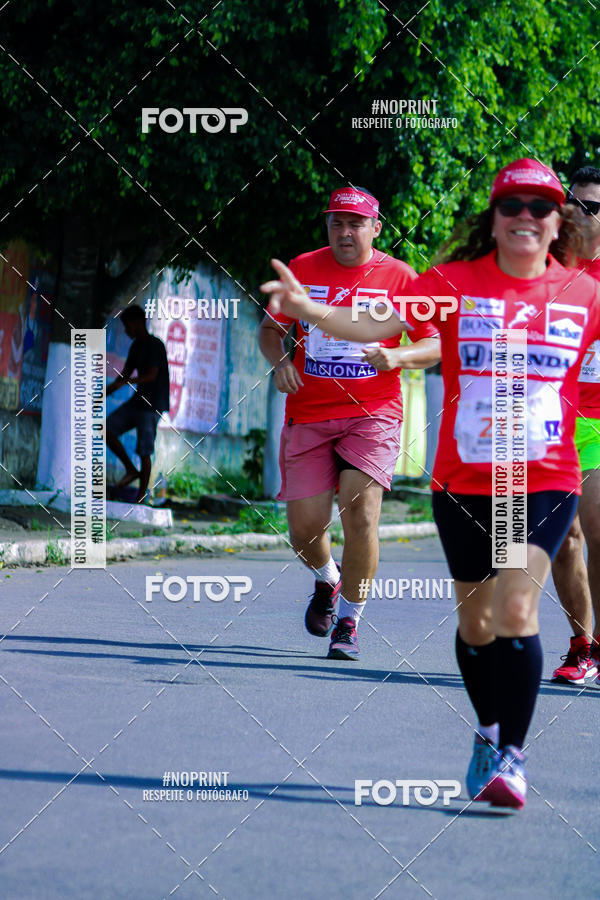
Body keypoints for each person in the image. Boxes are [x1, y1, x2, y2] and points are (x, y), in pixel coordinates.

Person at [261, 158, 600, 809]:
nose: (526, 218)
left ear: (559, 222)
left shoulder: (582, 292)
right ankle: (488, 730)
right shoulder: (452, 283)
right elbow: (375, 326)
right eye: (513, 207)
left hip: (545, 478)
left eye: (541, 207)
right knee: (476, 623)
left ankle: (510, 755)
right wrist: (309, 311)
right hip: (465, 481)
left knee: (517, 609)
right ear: (495, 220)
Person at [258, 186, 440, 660]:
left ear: (376, 228)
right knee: (304, 529)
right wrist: (280, 363)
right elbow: (271, 331)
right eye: (336, 222)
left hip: (373, 413)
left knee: (360, 512)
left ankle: (350, 623)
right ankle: (328, 579)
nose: (344, 232)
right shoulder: (303, 268)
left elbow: (435, 343)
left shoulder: (400, 277)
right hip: (309, 413)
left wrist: (398, 353)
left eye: (355, 223)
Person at [550, 166, 600, 684]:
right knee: (565, 538)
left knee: (598, 531)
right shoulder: (548, 269)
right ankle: (581, 645)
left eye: (594, 207)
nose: (583, 215)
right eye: (577, 204)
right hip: (554, 419)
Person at [106, 304, 170, 503]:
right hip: (137, 402)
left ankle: (141, 497)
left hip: (152, 406)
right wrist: (105, 393)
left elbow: (151, 376)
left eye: (127, 326)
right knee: (106, 429)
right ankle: (131, 470)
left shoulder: (155, 345)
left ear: (136, 323)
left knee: (144, 451)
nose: (126, 331)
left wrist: (127, 382)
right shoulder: (136, 347)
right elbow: (125, 374)